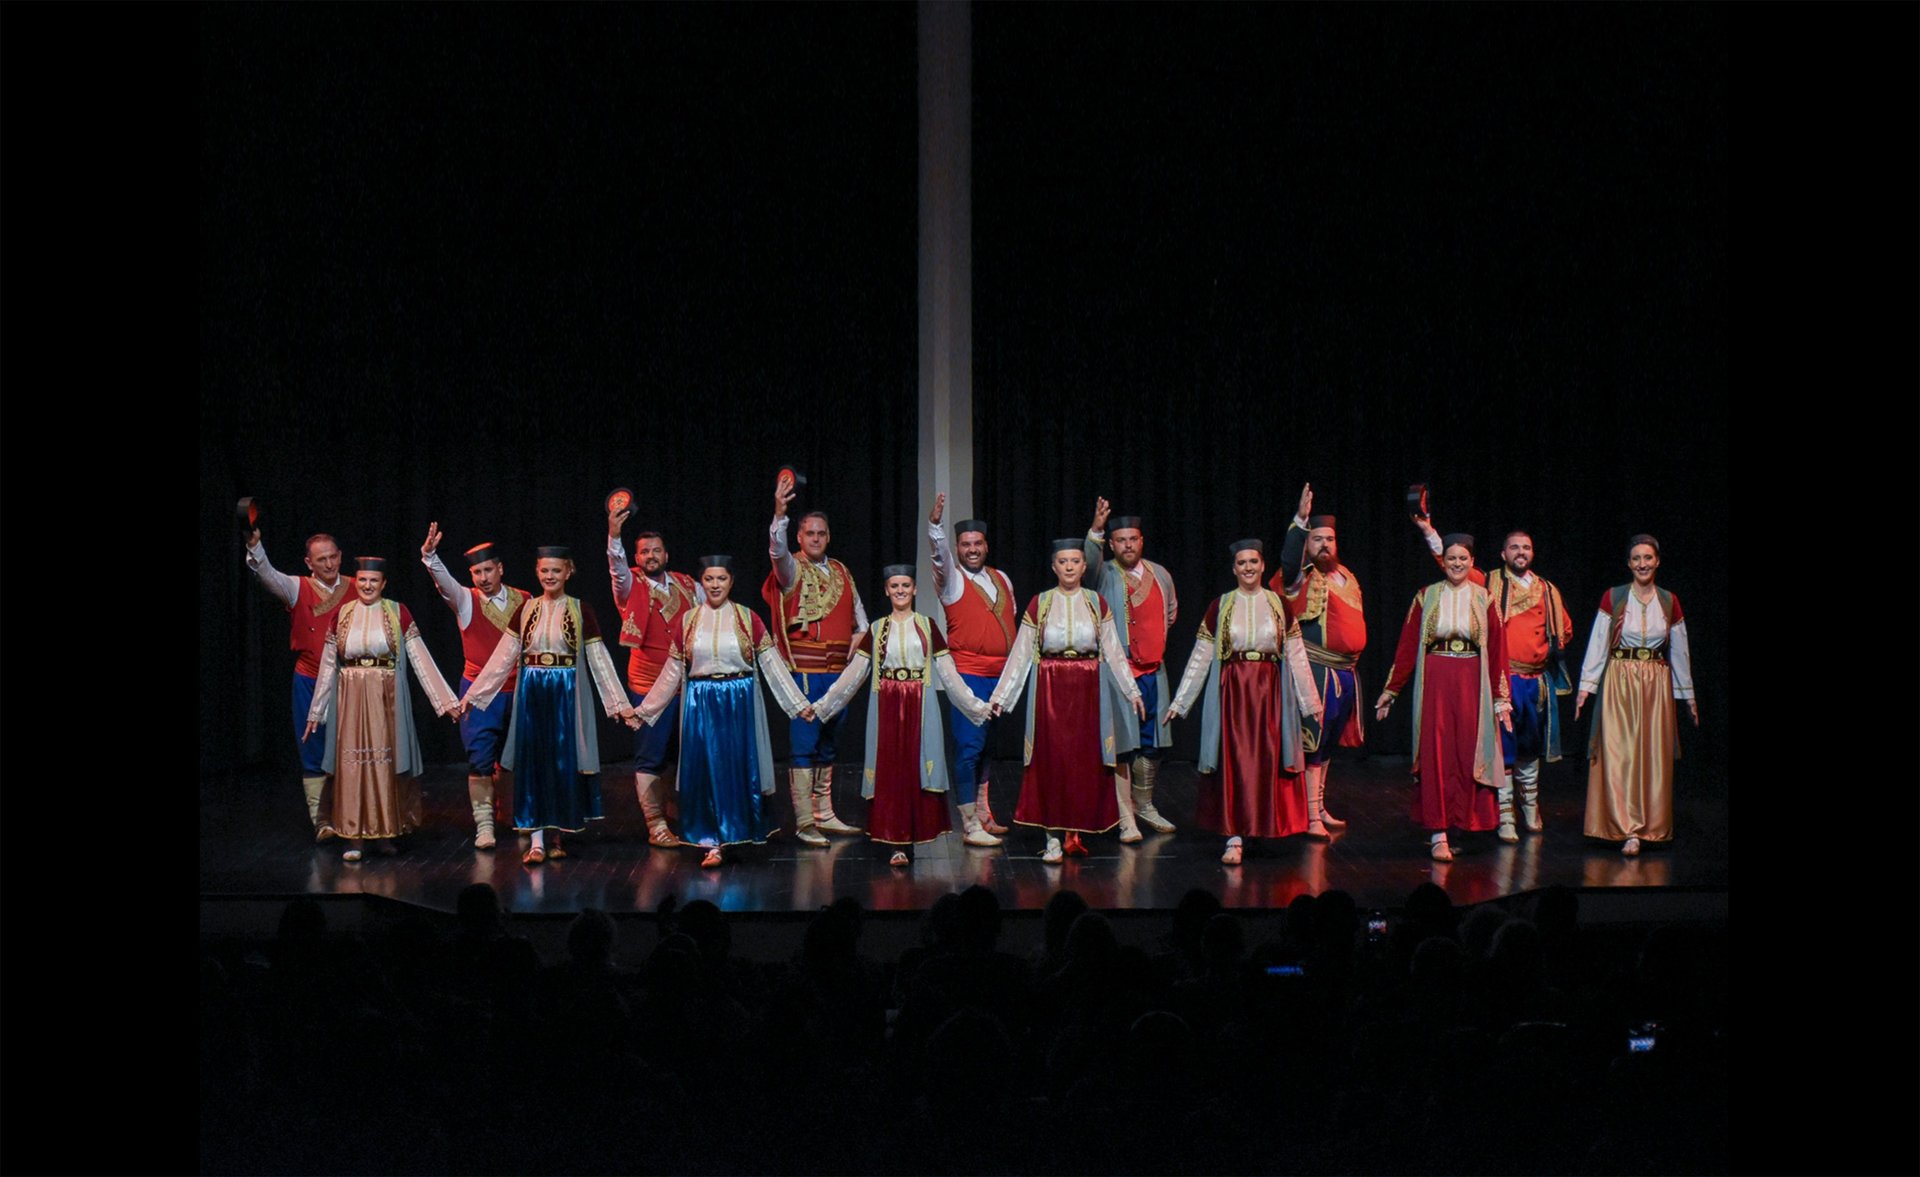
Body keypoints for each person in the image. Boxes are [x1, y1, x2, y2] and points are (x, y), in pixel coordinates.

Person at [457, 546, 641, 865]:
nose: (549, 576)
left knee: (560, 764)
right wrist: (475, 695)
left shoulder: (581, 609)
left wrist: (619, 703)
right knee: (534, 764)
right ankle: (537, 839)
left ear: (568, 572)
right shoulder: (526, 610)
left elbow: (599, 659)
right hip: (532, 695)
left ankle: (557, 833)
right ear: (537, 572)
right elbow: (503, 657)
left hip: (565, 696)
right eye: (544, 571)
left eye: (556, 571)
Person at [635, 555, 817, 868]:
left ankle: (737, 832)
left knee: (736, 768)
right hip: (701, 703)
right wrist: (645, 710)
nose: (715, 585)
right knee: (707, 771)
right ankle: (713, 841)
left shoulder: (748, 618)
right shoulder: (689, 620)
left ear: (731, 581)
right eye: (709, 579)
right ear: (701, 584)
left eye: (721, 579)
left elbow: (771, 664)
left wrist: (798, 704)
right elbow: (671, 671)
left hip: (738, 702)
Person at [813, 566, 994, 864]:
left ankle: (913, 834)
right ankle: (895, 843)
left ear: (914, 589)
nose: (900, 590)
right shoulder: (876, 628)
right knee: (891, 773)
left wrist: (977, 706)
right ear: (886, 590)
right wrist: (823, 706)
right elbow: (855, 674)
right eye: (894, 585)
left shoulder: (927, 625)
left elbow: (949, 675)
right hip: (887, 704)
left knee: (916, 769)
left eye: (905, 585)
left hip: (919, 704)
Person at [1414, 517, 1575, 839]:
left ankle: (1530, 807)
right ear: (1503, 554)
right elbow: (1450, 562)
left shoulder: (1547, 590)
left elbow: (1564, 632)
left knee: (1530, 745)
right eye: (1514, 547)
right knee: (1503, 746)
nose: (1521, 552)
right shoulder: (1487, 583)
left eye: (1526, 548)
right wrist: (1430, 532)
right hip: (1502, 680)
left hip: (1535, 681)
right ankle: (1505, 816)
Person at [987, 539, 1147, 864]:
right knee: (1052, 761)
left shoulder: (1096, 602)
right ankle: (1052, 838)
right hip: (1051, 688)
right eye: (1063, 561)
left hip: (1088, 690)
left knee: (1083, 763)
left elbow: (1114, 651)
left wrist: (1132, 692)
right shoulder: (1040, 603)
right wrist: (1001, 697)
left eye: (1075, 561)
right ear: (1054, 566)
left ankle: (1077, 829)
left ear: (1084, 566)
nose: (1070, 566)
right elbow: (1021, 652)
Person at [1165, 539, 1324, 864]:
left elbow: (1296, 655)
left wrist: (1311, 703)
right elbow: (1201, 656)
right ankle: (1234, 836)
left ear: (1263, 565)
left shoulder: (1279, 605)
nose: (1248, 568)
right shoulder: (1220, 605)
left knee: (1266, 760)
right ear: (1234, 568)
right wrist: (1180, 702)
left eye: (1253, 562)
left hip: (1270, 693)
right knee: (1235, 761)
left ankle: (1262, 826)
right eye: (1242, 563)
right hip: (1233, 692)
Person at [303, 557, 460, 861]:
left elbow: (420, 658)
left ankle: (386, 833)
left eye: (374, 580)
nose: (367, 585)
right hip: (350, 697)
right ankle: (355, 837)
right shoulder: (343, 614)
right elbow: (327, 665)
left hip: (385, 696)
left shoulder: (397, 612)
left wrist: (445, 702)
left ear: (384, 583)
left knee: (384, 764)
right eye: (362, 580)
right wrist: (316, 712)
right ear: (356, 581)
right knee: (353, 767)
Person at [1374, 534, 1513, 862]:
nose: (1457, 564)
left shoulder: (1485, 598)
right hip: (1436, 678)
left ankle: (1463, 823)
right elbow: (1408, 646)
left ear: (1472, 561)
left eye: (1463, 559)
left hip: (1470, 680)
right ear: (1443, 561)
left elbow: (1496, 652)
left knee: (1467, 751)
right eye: (1451, 558)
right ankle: (1438, 832)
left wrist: (1501, 700)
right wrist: (1391, 691)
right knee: (1437, 751)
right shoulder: (1427, 596)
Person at [1573, 535, 1698, 856]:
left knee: (1652, 754)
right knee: (1618, 753)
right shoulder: (1614, 597)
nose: (1642, 564)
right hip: (1619, 677)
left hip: (1656, 681)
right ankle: (1621, 826)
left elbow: (1679, 650)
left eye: (1648, 558)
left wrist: (1687, 696)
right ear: (1629, 564)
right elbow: (1599, 642)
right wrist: (1586, 687)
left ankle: (1649, 827)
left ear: (1657, 561)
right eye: (1636, 559)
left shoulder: (1669, 601)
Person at [764, 472, 870, 844]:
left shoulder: (842, 570)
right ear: (799, 536)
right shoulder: (790, 568)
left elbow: (861, 618)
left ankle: (825, 813)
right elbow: (776, 552)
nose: (816, 539)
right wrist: (780, 511)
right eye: (809, 533)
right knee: (804, 746)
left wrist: (861, 637)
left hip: (839, 674)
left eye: (821, 534)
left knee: (829, 745)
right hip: (805, 672)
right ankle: (805, 821)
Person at [420, 524, 531, 850]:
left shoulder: (525, 600)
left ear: (500, 569)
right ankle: (485, 825)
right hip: (480, 694)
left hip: (517, 690)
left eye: (487, 570)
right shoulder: (465, 600)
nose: (482, 578)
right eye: (475, 572)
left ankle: (511, 814)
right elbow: (445, 584)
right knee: (480, 759)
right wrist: (430, 557)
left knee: (515, 757)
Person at [1269, 483, 1367, 839]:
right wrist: (1300, 521)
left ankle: (1319, 806)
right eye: (1317, 539)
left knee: (1328, 745)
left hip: (1345, 672)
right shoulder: (1299, 577)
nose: (1324, 545)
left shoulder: (1347, 576)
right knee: (1312, 741)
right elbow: (1287, 561)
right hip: (1315, 669)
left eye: (1329, 539)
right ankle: (1308, 816)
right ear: (1307, 545)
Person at [246, 525, 352, 840]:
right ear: (309, 562)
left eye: (333, 557)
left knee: (352, 747)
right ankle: (322, 821)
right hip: (310, 680)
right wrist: (256, 547)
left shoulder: (358, 587)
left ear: (340, 557)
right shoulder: (297, 588)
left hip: (350, 682)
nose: (329, 565)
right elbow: (267, 575)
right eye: (322, 560)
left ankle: (353, 816)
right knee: (314, 747)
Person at [1083, 498, 1179, 837]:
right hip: (1117, 672)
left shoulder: (1161, 574)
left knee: (1152, 741)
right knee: (1124, 742)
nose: (1128, 545)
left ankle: (1145, 804)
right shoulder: (1103, 572)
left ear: (1142, 540)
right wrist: (1095, 529)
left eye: (1133, 539)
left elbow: (1170, 614)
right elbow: (1088, 563)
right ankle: (1124, 813)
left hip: (1154, 671)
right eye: (1120, 540)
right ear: (1112, 544)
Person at [607, 502, 701, 847]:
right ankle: (655, 823)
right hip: (648, 687)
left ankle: (678, 811)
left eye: (656, 550)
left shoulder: (687, 584)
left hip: (688, 686)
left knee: (686, 753)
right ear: (636, 555)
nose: (650, 555)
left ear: (666, 554)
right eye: (644, 551)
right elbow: (617, 569)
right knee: (651, 755)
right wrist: (614, 535)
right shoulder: (629, 585)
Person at [927, 494, 1019, 841]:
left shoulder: (1002, 579)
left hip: (1000, 678)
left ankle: (983, 812)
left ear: (986, 545)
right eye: (965, 544)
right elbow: (939, 559)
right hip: (969, 675)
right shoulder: (950, 579)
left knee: (988, 748)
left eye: (977, 543)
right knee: (968, 749)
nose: (972, 549)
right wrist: (935, 526)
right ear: (958, 548)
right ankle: (968, 823)